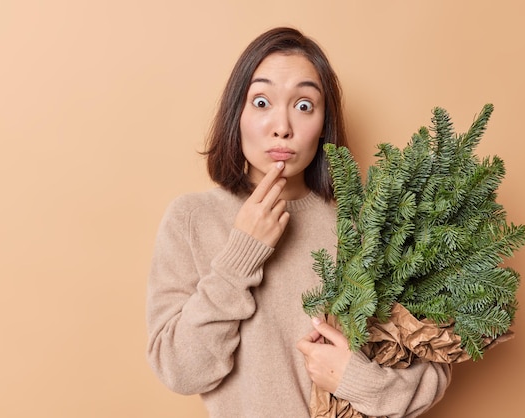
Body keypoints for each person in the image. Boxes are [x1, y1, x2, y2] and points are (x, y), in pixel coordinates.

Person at [146, 27, 451, 417]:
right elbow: (180, 371)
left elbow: (435, 363)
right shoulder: (192, 219)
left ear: (325, 123)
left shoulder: (368, 222)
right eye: (261, 101)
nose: (283, 126)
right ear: (235, 114)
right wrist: (240, 256)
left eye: (304, 105)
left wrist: (352, 378)